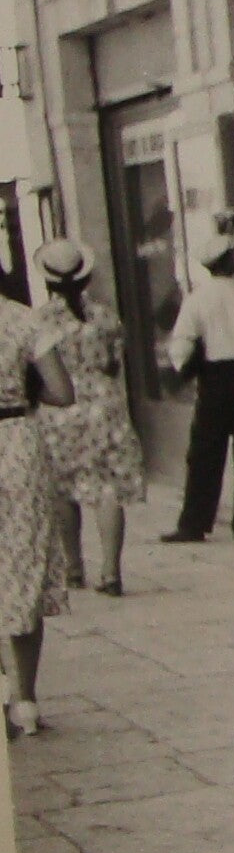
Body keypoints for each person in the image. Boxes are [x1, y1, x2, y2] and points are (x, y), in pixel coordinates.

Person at [33, 239, 145, 597]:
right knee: (108, 489)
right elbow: (114, 363)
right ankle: (111, 571)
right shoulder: (105, 316)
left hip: (61, 409)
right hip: (105, 406)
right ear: (86, 278)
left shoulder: (40, 321)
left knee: (64, 489)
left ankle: (74, 568)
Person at [159, 221, 234, 545]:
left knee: (205, 452)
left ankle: (194, 522)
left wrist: (183, 369)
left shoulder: (198, 298)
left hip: (215, 377)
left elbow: (182, 342)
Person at [0, 290, 74, 735]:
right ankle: (25, 700)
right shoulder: (24, 320)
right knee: (24, 562)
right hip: (17, 443)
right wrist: (29, 389)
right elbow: (63, 392)